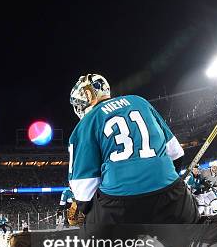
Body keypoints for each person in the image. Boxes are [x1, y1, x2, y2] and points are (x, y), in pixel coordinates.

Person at [67, 73, 199, 225]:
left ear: (88, 97)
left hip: (121, 208)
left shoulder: (85, 125)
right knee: (192, 223)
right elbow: (176, 154)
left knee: (92, 233)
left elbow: (84, 194)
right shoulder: (140, 102)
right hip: (171, 197)